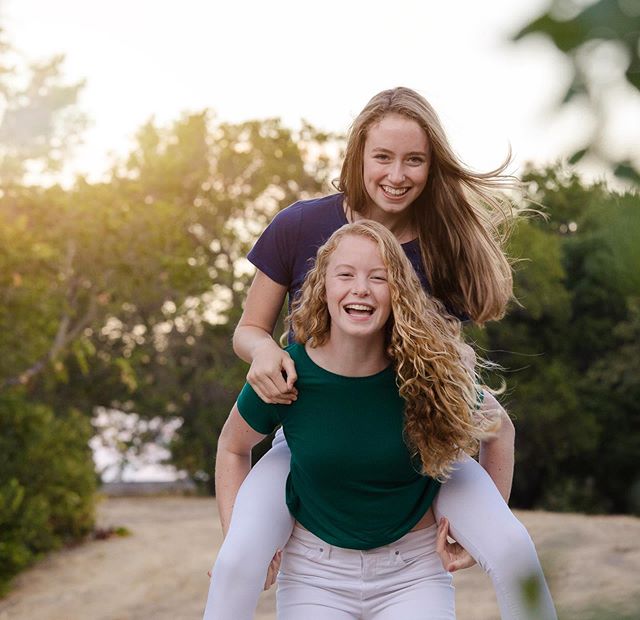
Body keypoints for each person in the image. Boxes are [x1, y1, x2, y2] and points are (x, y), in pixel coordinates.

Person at [204, 87, 557, 619]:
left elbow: (451, 363)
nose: (397, 174)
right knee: (237, 561)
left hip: (417, 429)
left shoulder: (444, 245)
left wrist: (457, 373)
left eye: (414, 159)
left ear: (431, 165)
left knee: (512, 550)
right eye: (383, 157)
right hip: (309, 421)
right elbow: (250, 329)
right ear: (358, 157)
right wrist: (261, 354)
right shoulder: (300, 225)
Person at [211, 221, 503, 619]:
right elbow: (232, 446)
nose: (360, 288)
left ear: (398, 291)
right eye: (345, 275)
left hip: (412, 572)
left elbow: (500, 429)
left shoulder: (428, 374)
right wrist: (236, 540)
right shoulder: (287, 373)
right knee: (232, 569)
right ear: (322, 287)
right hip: (315, 573)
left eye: (378, 277)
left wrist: (484, 530)